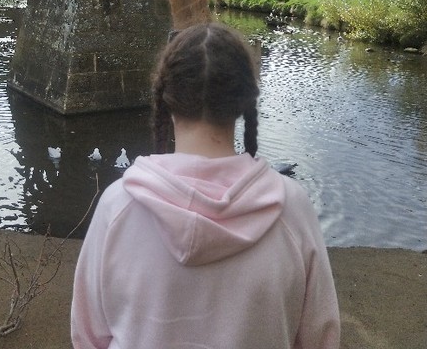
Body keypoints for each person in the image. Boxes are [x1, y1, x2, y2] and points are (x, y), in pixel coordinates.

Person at [71, 22, 340, 349]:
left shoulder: (118, 206)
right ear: (243, 104)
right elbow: (320, 338)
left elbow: (88, 336)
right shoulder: (292, 210)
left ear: (167, 101)